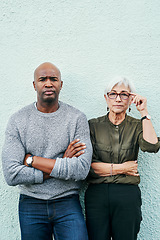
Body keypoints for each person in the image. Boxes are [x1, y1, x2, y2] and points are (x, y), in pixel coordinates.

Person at [2, 62, 92, 240]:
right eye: (43, 79)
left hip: (67, 202)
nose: (48, 83)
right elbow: (11, 174)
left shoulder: (76, 118)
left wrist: (32, 160)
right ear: (35, 85)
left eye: (54, 79)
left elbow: (81, 169)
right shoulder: (18, 120)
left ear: (61, 84)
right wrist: (61, 164)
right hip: (31, 203)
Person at [85, 76, 160, 240]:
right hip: (97, 195)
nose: (118, 99)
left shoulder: (137, 125)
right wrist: (123, 168)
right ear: (106, 98)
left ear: (131, 98)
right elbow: (86, 167)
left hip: (127, 195)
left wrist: (144, 112)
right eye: (113, 94)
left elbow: (151, 146)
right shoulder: (92, 126)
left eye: (124, 94)